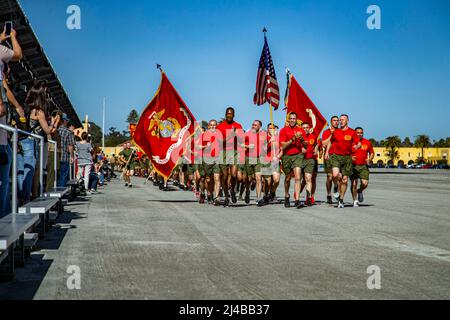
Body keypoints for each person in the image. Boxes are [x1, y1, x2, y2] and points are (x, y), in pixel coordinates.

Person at [21, 80, 59, 203]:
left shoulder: (29, 108)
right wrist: (54, 123)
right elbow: (47, 130)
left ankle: (29, 196)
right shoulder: (39, 112)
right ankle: (31, 196)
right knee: (33, 171)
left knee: (28, 171)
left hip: (25, 140)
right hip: (33, 142)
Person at [0, 26, 22, 216]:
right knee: (4, 182)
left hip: (4, 136)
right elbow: (18, 54)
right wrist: (13, 36)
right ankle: (5, 223)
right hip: (1, 138)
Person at [325, 114, 361, 209]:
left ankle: (341, 200)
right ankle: (336, 185)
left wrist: (356, 147)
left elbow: (358, 143)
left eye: (343, 120)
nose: (340, 121)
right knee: (336, 175)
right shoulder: (336, 131)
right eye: (340, 120)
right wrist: (327, 152)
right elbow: (330, 142)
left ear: (347, 121)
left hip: (347, 158)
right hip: (336, 156)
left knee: (344, 180)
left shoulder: (352, 132)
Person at [216, 107, 243, 206]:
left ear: (234, 115)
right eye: (228, 113)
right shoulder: (220, 126)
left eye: (231, 114)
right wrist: (230, 136)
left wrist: (237, 135)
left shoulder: (238, 126)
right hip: (223, 152)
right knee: (224, 176)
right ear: (225, 114)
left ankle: (232, 191)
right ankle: (226, 195)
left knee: (234, 175)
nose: (229, 115)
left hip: (234, 152)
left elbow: (241, 141)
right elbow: (218, 142)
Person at [280, 112, 307, 208]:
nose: (292, 120)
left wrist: (302, 139)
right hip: (287, 156)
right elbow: (282, 145)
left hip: (298, 156)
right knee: (287, 179)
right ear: (288, 120)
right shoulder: (283, 130)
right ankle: (287, 195)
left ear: (296, 120)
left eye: (294, 118)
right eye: (290, 118)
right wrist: (293, 139)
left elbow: (306, 145)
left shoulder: (301, 130)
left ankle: (297, 200)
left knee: (298, 177)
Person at [199, 120, 222, 206]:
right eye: (211, 125)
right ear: (209, 126)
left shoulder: (219, 134)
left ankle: (216, 197)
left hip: (216, 159)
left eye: (214, 125)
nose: (213, 126)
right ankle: (209, 194)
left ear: (216, 126)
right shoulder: (204, 134)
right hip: (207, 159)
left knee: (217, 178)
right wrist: (205, 146)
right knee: (208, 180)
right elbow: (198, 146)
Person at [351, 127, 374, 207]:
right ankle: (355, 201)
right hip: (353, 166)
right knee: (354, 184)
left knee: (365, 183)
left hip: (363, 166)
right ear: (355, 133)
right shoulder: (351, 142)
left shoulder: (367, 142)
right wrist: (350, 157)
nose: (359, 134)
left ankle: (360, 190)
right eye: (358, 132)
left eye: (361, 133)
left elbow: (372, 152)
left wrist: (369, 159)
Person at [321, 116, 340, 204]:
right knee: (329, 177)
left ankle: (336, 186)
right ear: (331, 122)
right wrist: (332, 134)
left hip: (339, 156)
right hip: (329, 155)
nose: (336, 122)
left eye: (337, 121)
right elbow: (324, 144)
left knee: (337, 176)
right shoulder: (326, 132)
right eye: (334, 120)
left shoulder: (341, 132)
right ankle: (329, 194)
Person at [300, 122, 318, 206]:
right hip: (299, 160)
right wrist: (301, 149)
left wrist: (316, 149)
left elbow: (316, 143)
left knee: (308, 179)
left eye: (307, 127)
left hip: (309, 159)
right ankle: (298, 193)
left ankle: (309, 198)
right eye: (303, 127)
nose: (305, 129)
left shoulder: (312, 136)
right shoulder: (298, 136)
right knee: (299, 179)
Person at [57, 113, 75, 187]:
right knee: (64, 175)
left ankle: (56, 190)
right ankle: (61, 192)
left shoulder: (56, 130)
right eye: (66, 121)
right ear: (64, 121)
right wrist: (72, 156)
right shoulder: (68, 132)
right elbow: (70, 146)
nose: (67, 122)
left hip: (56, 156)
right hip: (64, 157)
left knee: (57, 175)